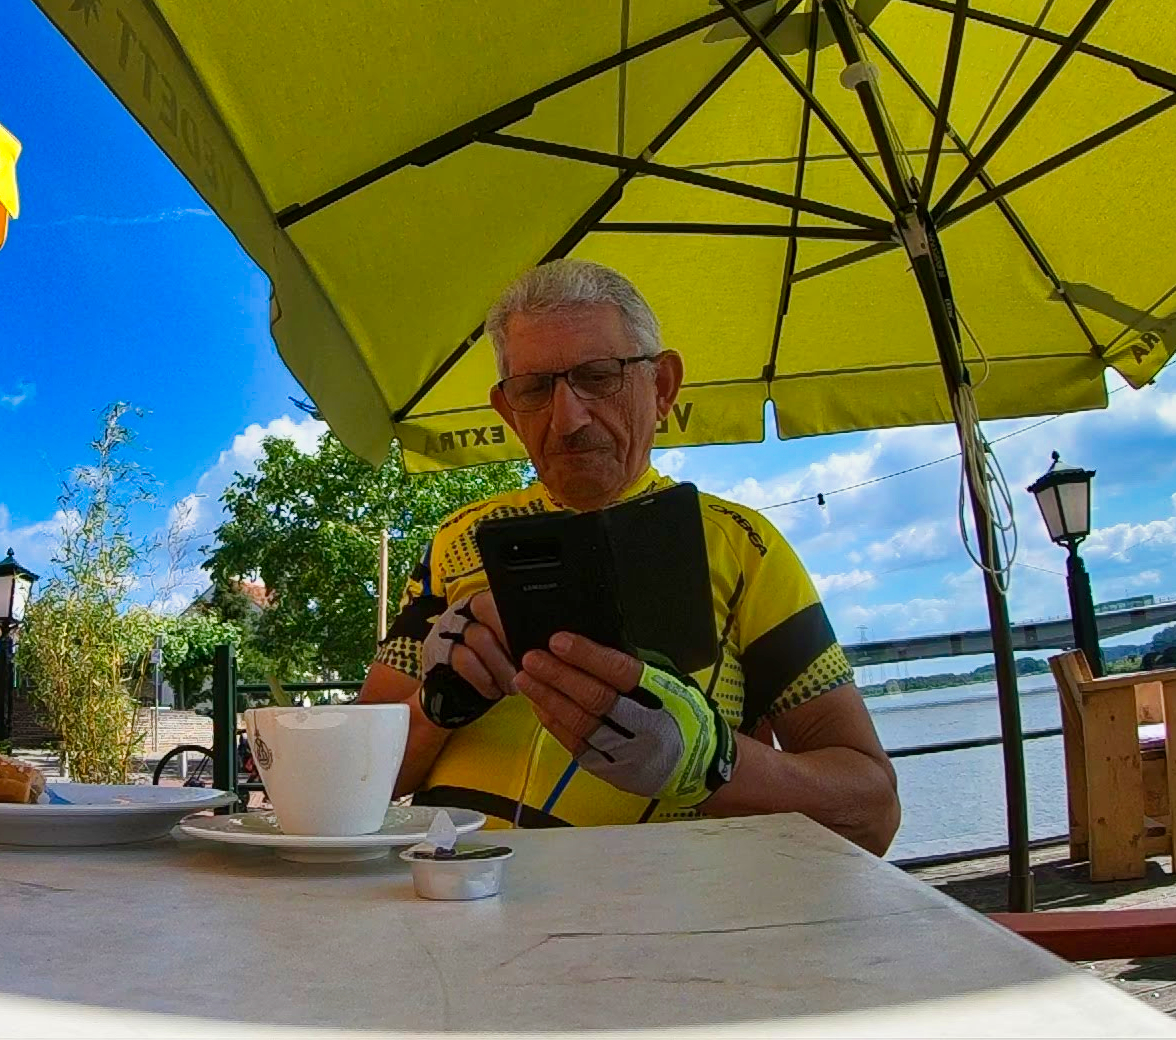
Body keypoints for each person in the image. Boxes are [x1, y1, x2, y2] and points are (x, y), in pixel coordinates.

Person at [359, 259, 901, 855]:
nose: (568, 418)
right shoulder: (456, 542)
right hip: (454, 898)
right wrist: (438, 705)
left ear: (662, 386)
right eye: (534, 389)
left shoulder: (743, 547)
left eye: (598, 377)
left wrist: (710, 763)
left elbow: (872, 812)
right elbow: (356, 779)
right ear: (508, 409)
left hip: (652, 909)